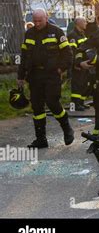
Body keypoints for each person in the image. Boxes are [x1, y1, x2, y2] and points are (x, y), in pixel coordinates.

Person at [17, 8, 74, 148]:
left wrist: (61, 68)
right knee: (37, 107)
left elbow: (68, 53)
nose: (37, 23)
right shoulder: (29, 33)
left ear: (46, 18)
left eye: (39, 21)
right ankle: (41, 139)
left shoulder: (56, 32)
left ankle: (67, 129)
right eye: (34, 21)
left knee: (52, 102)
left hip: (51, 75)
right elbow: (24, 56)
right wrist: (20, 76)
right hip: (34, 75)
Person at [68, 17, 89, 111]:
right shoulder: (73, 35)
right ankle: (75, 104)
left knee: (83, 84)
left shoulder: (82, 34)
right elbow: (72, 51)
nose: (86, 23)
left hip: (84, 63)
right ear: (78, 23)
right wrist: (76, 64)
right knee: (76, 84)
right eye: (84, 21)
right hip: (77, 65)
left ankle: (80, 103)